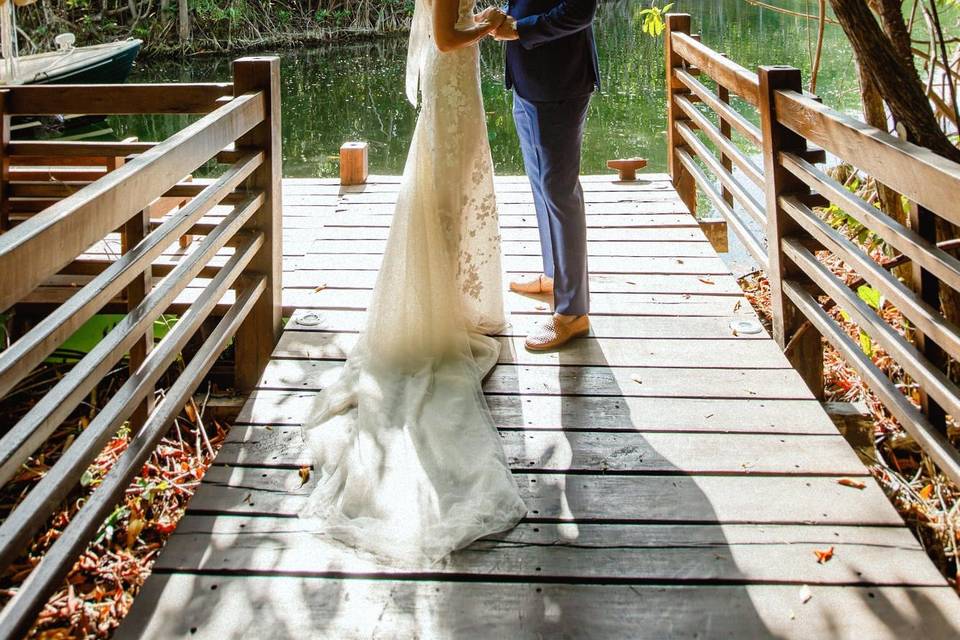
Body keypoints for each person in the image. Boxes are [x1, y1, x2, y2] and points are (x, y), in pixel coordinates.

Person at [298, 0, 527, 564]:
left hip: (455, 93)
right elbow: (448, 37)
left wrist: (482, 20)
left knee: (451, 197)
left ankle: (450, 301)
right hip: (452, 88)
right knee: (446, 198)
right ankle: (437, 308)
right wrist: (489, 26)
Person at [494, 0, 600, 351]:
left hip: (560, 81)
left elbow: (580, 11)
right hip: (527, 79)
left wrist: (520, 29)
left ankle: (572, 313)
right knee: (542, 186)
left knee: (559, 191)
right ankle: (555, 277)